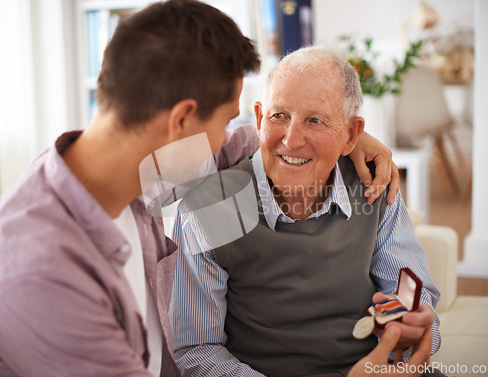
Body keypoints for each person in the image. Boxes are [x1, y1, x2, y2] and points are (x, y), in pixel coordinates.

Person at [0, 1, 401, 377]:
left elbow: (259, 143)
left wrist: (345, 141)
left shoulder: (135, 174)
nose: (227, 138)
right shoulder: (47, 275)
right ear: (181, 121)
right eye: (225, 120)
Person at [171, 46, 444, 377]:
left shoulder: (372, 187)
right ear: (259, 119)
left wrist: (414, 328)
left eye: (315, 120)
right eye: (279, 116)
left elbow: (412, 297)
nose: (292, 139)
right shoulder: (212, 210)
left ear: (352, 135)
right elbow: (197, 350)